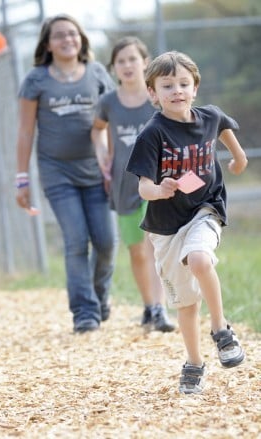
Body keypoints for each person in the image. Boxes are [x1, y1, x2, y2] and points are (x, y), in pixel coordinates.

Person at [126, 51, 247, 394]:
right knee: (186, 304)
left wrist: (239, 157)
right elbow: (143, 188)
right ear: (153, 93)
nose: (177, 90)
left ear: (195, 87)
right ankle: (194, 362)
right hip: (165, 226)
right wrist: (160, 190)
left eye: (183, 83)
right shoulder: (153, 133)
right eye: (167, 85)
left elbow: (221, 126)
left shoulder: (208, 116)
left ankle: (221, 329)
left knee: (200, 259)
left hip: (205, 207)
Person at [15, 14, 117, 333]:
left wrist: (113, 164)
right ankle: (84, 312)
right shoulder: (36, 79)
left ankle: (99, 296)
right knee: (76, 241)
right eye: (59, 35)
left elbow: (113, 120)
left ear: (81, 39)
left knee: (106, 242)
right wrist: (22, 178)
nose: (67, 40)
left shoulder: (98, 74)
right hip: (57, 173)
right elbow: (25, 131)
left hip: (96, 171)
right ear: (48, 44)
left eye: (72, 34)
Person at [90, 37, 175, 333]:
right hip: (124, 184)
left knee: (156, 245)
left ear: (144, 62)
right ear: (114, 68)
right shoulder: (108, 102)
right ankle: (148, 305)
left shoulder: (157, 98)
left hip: (157, 185)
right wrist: (103, 156)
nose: (126, 65)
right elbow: (97, 130)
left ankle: (159, 309)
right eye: (120, 61)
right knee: (137, 250)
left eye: (132, 59)